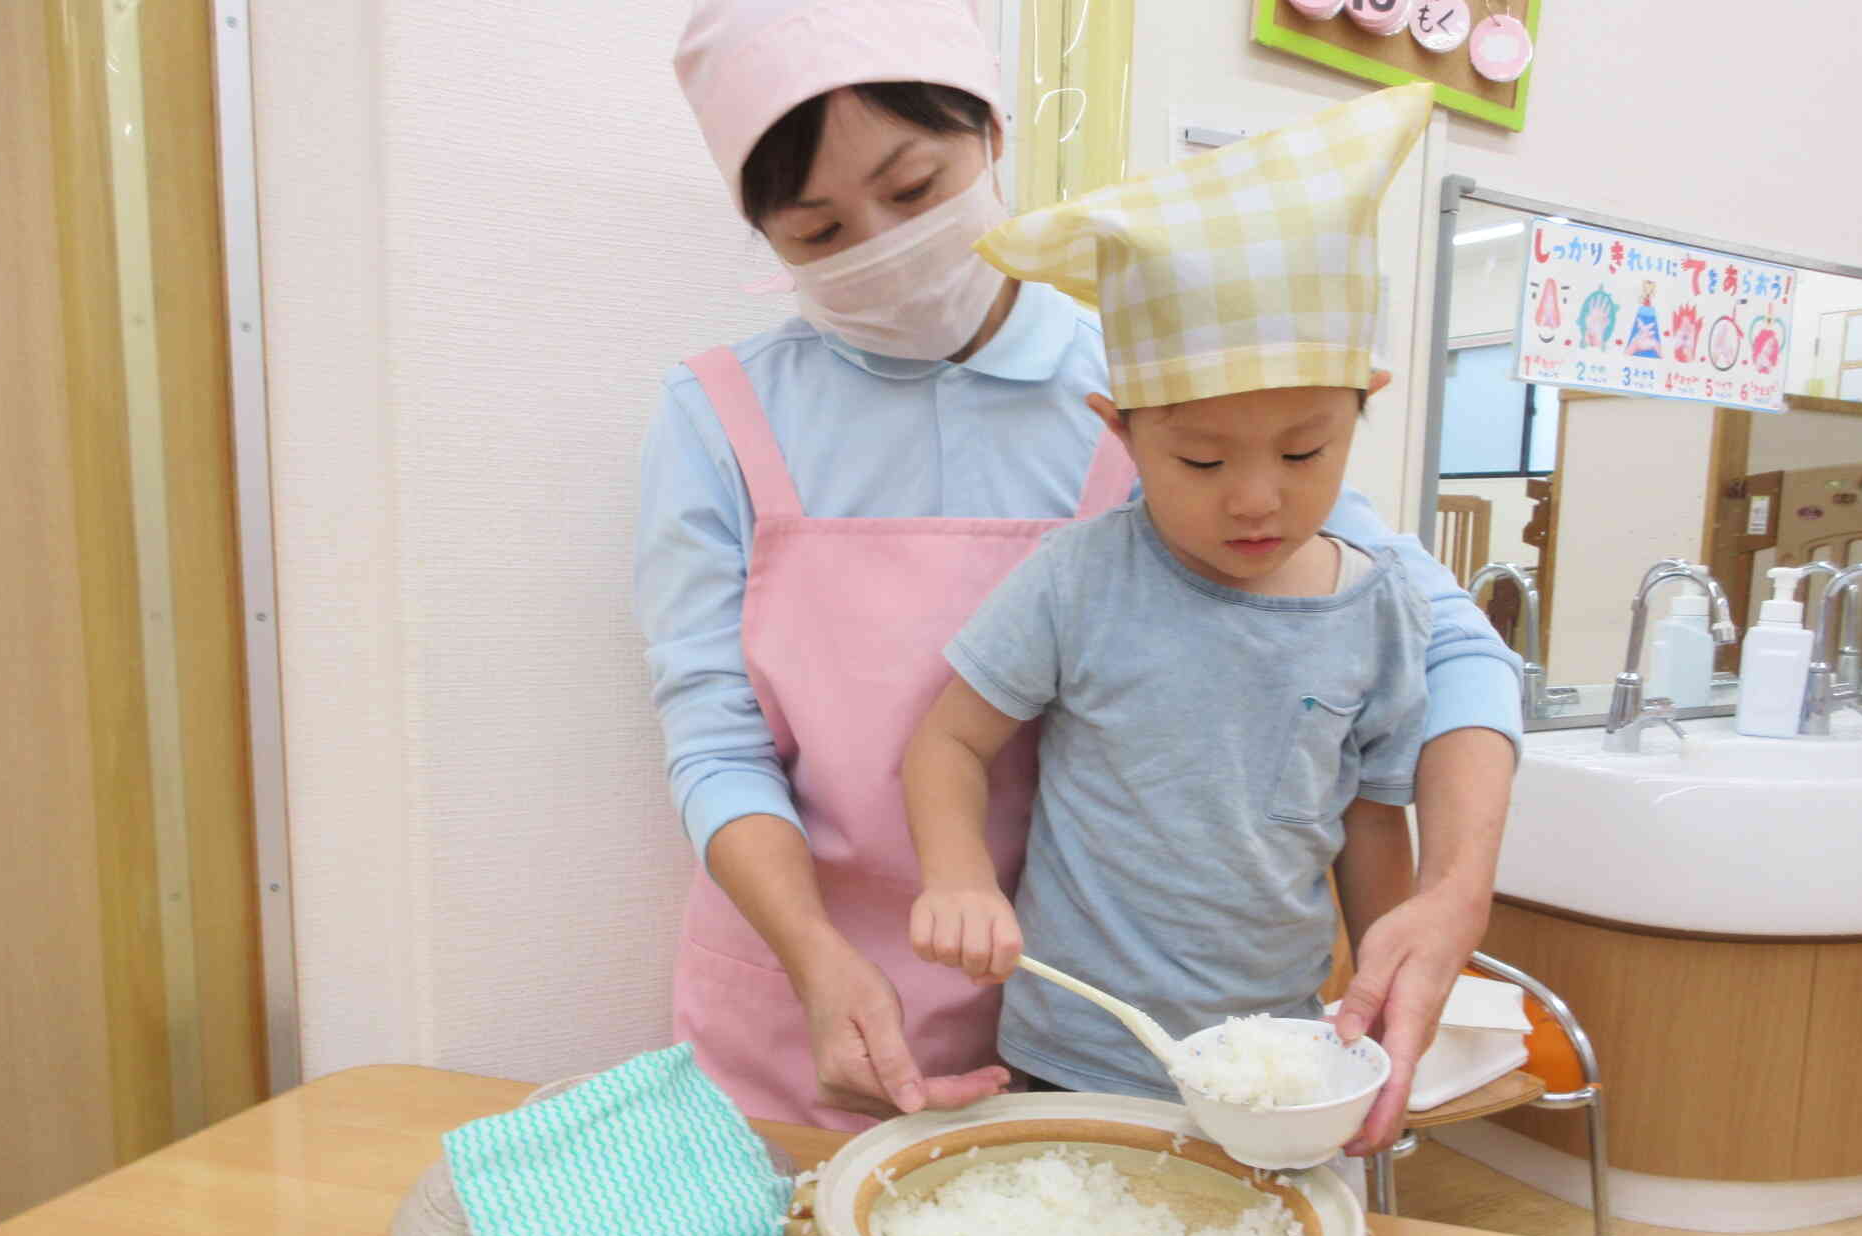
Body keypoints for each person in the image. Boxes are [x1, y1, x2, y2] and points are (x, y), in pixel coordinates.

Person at [639, 0, 1523, 1144]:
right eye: (817, 231)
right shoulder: (720, 416)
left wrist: (1449, 895)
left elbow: (1442, 644)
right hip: (801, 999)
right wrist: (813, 958)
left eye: (912, 191)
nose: (881, 249)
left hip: (1095, 1025)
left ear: (992, 133)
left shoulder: (1170, 387)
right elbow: (714, 741)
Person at [903, 86, 1433, 1110]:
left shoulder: (1377, 607)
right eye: (1197, 458)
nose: (1253, 498)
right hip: (1072, 1051)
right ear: (1119, 430)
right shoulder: (1079, 577)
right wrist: (957, 876)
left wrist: (1376, 1003)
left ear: (1364, 401)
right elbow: (947, 743)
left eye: (1302, 449)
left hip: (1270, 1063)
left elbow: (1372, 819)